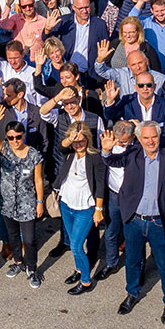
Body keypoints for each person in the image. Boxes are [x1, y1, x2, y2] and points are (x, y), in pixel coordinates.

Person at [101, 121, 165, 325]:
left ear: (159, 136)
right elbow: (112, 161)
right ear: (138, 139)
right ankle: (132, 293)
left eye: (153, 137)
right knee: (132, 261)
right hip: (134, 220)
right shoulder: (132, 155)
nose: (150, 141)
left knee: (164, 264)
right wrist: (105, 150)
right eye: (145, 138)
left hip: (158, 223)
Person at [0, 109, 46, 289]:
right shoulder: (4, 149)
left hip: (27, 204)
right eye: (11, 137)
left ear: (23, 135)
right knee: (12, 237)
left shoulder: (34, 154)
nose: (15, 141)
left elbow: (38, 180)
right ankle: (19, 263)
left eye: (18, 137)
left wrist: (40, 202)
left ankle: (32, 268)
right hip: (7, 203)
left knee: (29, 239)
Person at [52, 121, 107, 295]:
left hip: (85, 207)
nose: (79, 145)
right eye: (75, 142)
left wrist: (98, 210)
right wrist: (70, 139)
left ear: (88, 139)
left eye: (82, 141)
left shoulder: (95, 157)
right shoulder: (70, 152)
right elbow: (61, 147)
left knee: (76, 245)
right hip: (67, 203)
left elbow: (100, 185)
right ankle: (79, 270)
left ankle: (85, 282)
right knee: (73, 242)